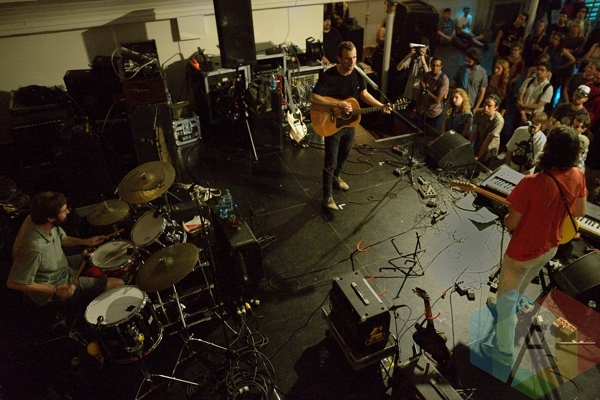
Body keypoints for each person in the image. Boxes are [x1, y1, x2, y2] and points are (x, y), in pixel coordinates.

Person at [484, 126, 587, 371]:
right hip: (550, 247)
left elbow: (511, 223)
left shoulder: (531, 182)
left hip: (522, 252)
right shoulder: (577, 174)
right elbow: (580, 211)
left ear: (548, 149)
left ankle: (503, 352)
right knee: (518, 288)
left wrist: (509, 214)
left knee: (506, 300)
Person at [7, 192, 124, 311]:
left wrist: (86, 241)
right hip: (56, 284)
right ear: (50, 218)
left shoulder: (38, 221)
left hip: (62, 265)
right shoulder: (33, 248)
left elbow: (62, 238)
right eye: (64, 211)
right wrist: (55, 290)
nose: (68, 211)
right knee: (118, 283)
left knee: (100, 254)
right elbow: (14, 282)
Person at [310, 41, 391, 211]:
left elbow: (364, 94)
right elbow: (313, 98)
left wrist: (381, 106)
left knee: (345, 154)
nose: (352, 61)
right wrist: (339, 104)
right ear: (339, 58)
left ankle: (336, 177)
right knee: (330, 160)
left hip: (349, 123)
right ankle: (327, 197)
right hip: (331, 123)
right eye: (348, 58)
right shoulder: (329, 76)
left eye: (354, 57)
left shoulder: (358, 72)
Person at [469, 94, 505, 164]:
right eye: (485, 104)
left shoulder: (498, 120)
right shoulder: (478, 113)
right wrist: (468, 146)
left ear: (495, 107)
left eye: (489, 106)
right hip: (478, 143)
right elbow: (474, 131)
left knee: (483, 164)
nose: (486, 107)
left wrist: (478, 156)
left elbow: (488, 139)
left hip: (489, 148)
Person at [396, 39, 430, 110]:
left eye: (423, 47)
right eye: (419, 47)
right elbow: (398, 68)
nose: (421, 49)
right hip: (409, 91)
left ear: (427, 47)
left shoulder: (429, 59)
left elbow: (428, 74)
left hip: (419, 93)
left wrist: (423, 59)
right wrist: (408, 56)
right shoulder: (412, 58)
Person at [453, 48, 488, 112]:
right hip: (457, 102)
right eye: (466, 60)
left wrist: (476, 108)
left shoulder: (482, 73)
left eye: (469, 61)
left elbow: (482, 93)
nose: (466, 63)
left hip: (469, 105)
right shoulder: (461, 68)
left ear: (475, 61)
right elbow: (454, 84)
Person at [419, 57, 449, 129]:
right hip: (423, 109)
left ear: (441, 67)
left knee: (429, 132)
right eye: (433, 65)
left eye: (437, 66)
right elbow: (420, 91)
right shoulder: (427, 75)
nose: (435, 68)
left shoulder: (444, 79)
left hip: (433, 112)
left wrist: (426, 89)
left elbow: (437, 100)